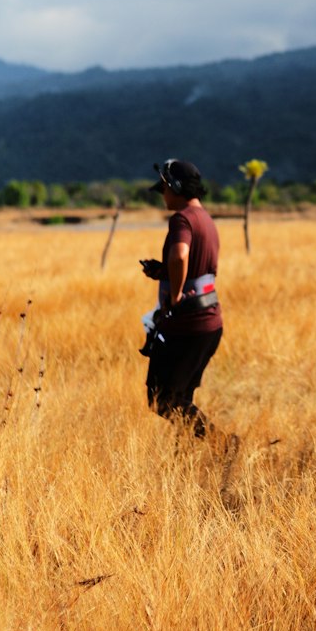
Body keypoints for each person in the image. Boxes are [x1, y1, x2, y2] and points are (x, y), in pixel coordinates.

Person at [139, 158, 225, 440]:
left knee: (161, 398)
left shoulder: (182, 219)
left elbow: (180, 255)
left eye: (163, 188)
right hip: (208, 321)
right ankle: (186, 460)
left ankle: (223, 445)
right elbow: (195, 269)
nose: (162, 195)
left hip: (188, 323)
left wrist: (173, 295)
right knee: (180, 399)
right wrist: (162, 272)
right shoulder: (206, 220)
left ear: (175, 187)